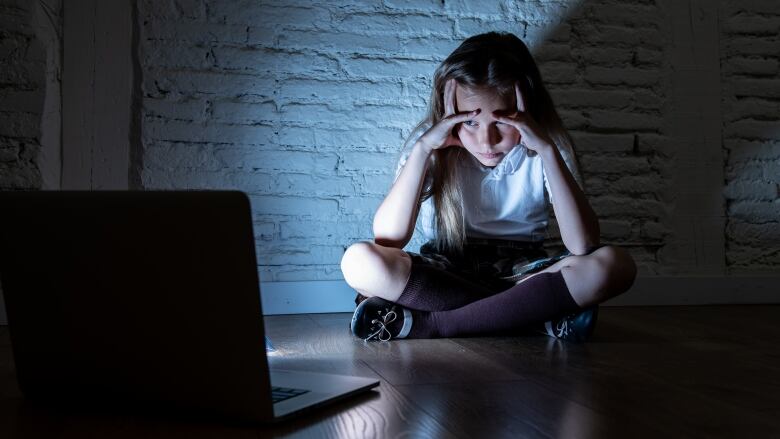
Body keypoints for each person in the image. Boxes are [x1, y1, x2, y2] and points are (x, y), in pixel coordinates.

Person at [340, 32, 637, 343]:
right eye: (470, 123)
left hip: (522, 273)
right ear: (448, 113)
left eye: (503, 121)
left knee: (616, 266)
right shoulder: (430, 145)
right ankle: (530, 315)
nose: (486, 140)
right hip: (448, 269)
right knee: (359, 262)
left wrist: (546, 151)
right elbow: (390, 238)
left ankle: (432, 324)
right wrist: (424, 150)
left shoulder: (547, 146)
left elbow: (581, 244)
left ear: (527, 110)